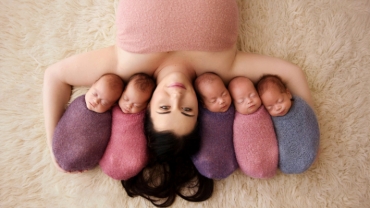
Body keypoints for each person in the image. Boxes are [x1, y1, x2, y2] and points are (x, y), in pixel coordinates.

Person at [43, 0, 314, 206]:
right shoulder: (225, 66)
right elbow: (292, 74)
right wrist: (306, 126)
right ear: (199, 108)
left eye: (164, 108)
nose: (176, 96)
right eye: (187, 109)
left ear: (147, 108)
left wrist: (54, 144)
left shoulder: (122, 65)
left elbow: (55, 76)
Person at [52, 73, 124, 172]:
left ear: (111, 106)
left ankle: (80, 160)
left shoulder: (105, 120)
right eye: (95, 94)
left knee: (83, 151)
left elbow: (102, 139)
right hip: (61, 143)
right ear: (92, 85)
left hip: (83, 150)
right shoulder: (78, 102)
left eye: (104, 102)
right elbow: (67, 121)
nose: (96, 101)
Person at [99, 73, 155, 180]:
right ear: (123, 91)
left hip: (133, 146)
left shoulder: (143, 115)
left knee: (137, 158)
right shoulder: (113, 106)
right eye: (126, 98)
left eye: (137, 105)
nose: (128, 106)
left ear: (146, 105)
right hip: (115, 146)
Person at [228, 76, 278, 178]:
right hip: (249, 157)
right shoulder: (238, 120)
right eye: (241, 101)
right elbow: (239, 141)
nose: (249, 101)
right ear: (234, 105)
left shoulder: (266, 108)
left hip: (268, 151)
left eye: (252, 95)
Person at [192, 73, 238, 179]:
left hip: (230, 156)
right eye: (213, 100)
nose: (222, 101)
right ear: (203, 104)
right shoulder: (202, 114)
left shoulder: (235, 105)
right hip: (206, 157)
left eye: (224, 94)